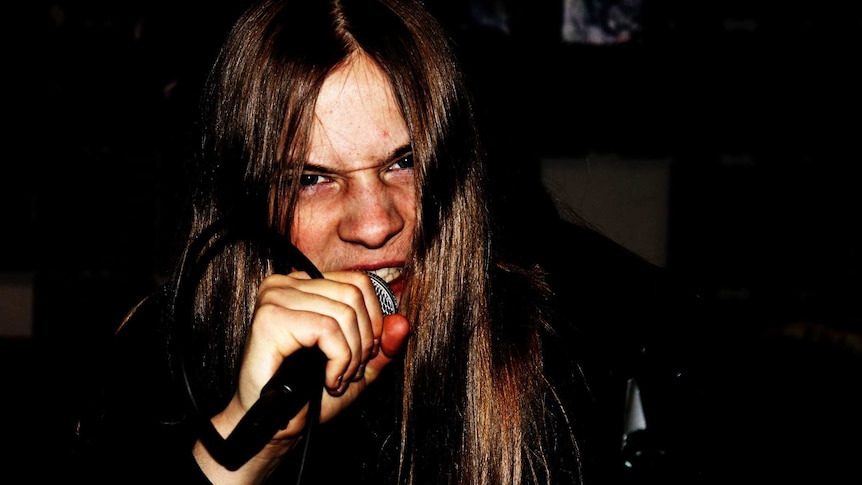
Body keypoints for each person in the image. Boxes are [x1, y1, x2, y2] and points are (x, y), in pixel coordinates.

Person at [67, 0, 711, 483]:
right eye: (313, 179)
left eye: (404, 163)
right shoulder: (156, 362)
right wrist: (249, 443)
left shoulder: (569, 341)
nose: (376, 224)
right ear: (246, 200)